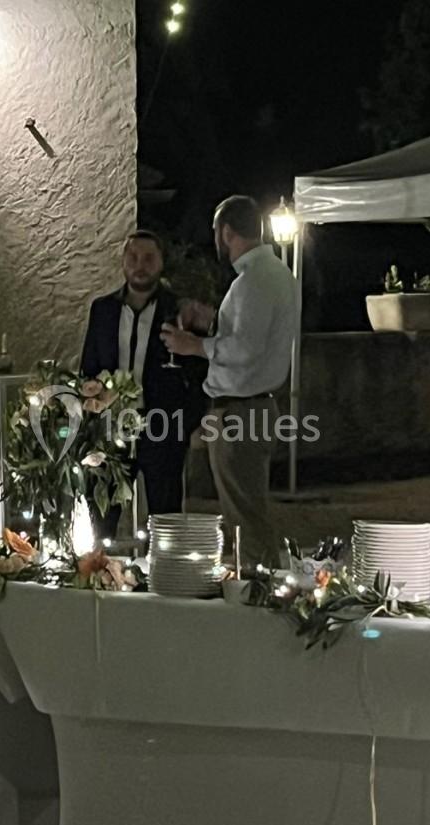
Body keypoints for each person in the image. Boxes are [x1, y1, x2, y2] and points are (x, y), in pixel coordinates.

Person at [160, 196, 299, 569]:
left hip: (241, 412)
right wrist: (211, 320)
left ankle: (258, 587)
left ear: (225, 232)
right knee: (246, 509)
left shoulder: (253, 280)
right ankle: (259, 580)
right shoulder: (275, 274)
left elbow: (245, 349)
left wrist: (193, 345)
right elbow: (251, 334)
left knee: (244, 516)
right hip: (255, 407)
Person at [80, 230, 198, 536]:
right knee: (101, 518)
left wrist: (187, 424)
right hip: (111, 430)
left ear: (161, 263)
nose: (140, 265)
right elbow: (88, 367)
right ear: (123, 261)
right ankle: (100, 564)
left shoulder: (178, 310)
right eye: (133, 257)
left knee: (166, 520)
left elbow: (198, 373)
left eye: (148, 258)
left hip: (162, 426)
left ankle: (164, 567)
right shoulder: (103, 310)